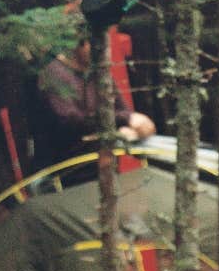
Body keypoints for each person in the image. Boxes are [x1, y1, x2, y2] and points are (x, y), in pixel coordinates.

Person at [30, 10, 156, 169]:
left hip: (101, 163)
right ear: (80, 43)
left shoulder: (97, 71)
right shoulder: (54, 74)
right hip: (67, 170)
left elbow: (120, 107)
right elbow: (73, 121)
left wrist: (135, 121)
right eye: (96, 45)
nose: (102, 51)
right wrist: (121, 123)